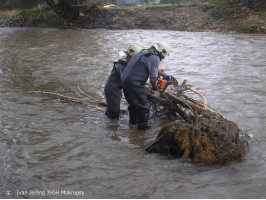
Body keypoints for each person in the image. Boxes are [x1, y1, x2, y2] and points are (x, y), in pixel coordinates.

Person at [122, 42, 171, 129]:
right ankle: (142, 129)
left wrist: (164, 75)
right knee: (144, 106)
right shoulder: (155, 58)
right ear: (162, 53)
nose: (162, 58)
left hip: (125, 80)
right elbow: (152, 79)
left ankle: (132, 124)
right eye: (163, 56)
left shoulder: (144, 52)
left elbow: (152, 67)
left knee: (133, 104)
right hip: (134, 83)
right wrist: (155, 87)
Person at [104, 44, 142, 119]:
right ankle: (111, 126)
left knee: (113, 108)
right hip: (112, 90)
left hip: (115, 88)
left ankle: (109, 117)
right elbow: (125, 80)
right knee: (114, 113)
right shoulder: (122, 64)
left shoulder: (126, 61)